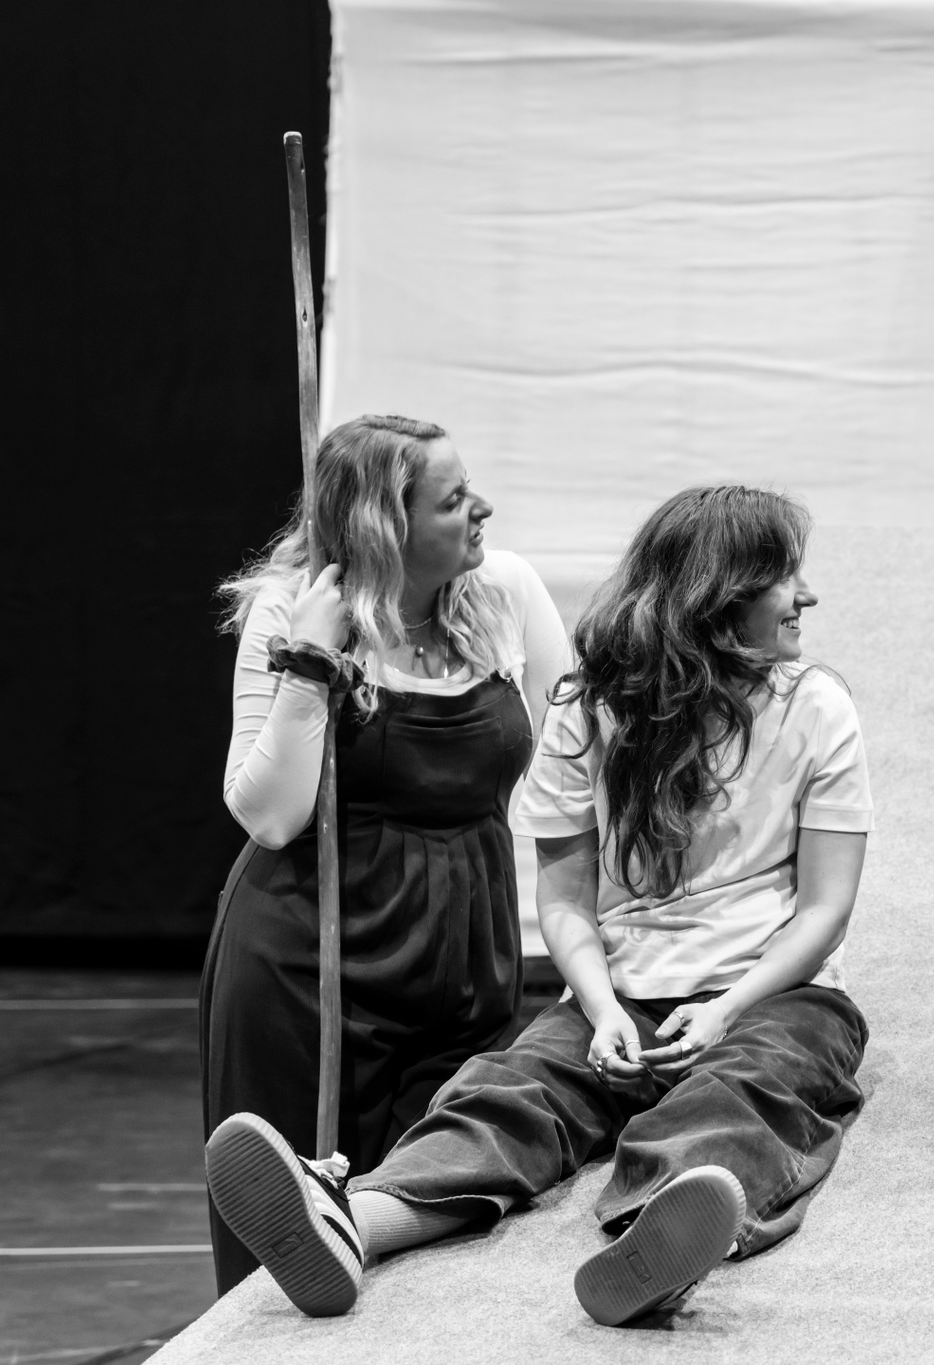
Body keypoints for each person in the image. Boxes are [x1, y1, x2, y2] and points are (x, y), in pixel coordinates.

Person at [202, 485, 873, 1325]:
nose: (804, 597)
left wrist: (724, 1008)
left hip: (778, 994)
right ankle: (354, 1221)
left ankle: (656, 1242)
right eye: (784, 578)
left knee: (743, 1089)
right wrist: (599, 1011)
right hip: (618, 989)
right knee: (508, 1091)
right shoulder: (591, 706)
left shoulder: (818, 707)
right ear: (718, 591)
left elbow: (824, 911)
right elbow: (564, 904)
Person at [203, 413, 570, 1292]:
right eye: (452, 501)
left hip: (465, 967)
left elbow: (576, 756)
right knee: (296, 1270)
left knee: (448, 1240)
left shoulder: (506, 593)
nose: (481, 510)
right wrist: (310, 664)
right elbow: (270, 816)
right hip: (312, 977)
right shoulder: (293, 612)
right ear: (386, 527)